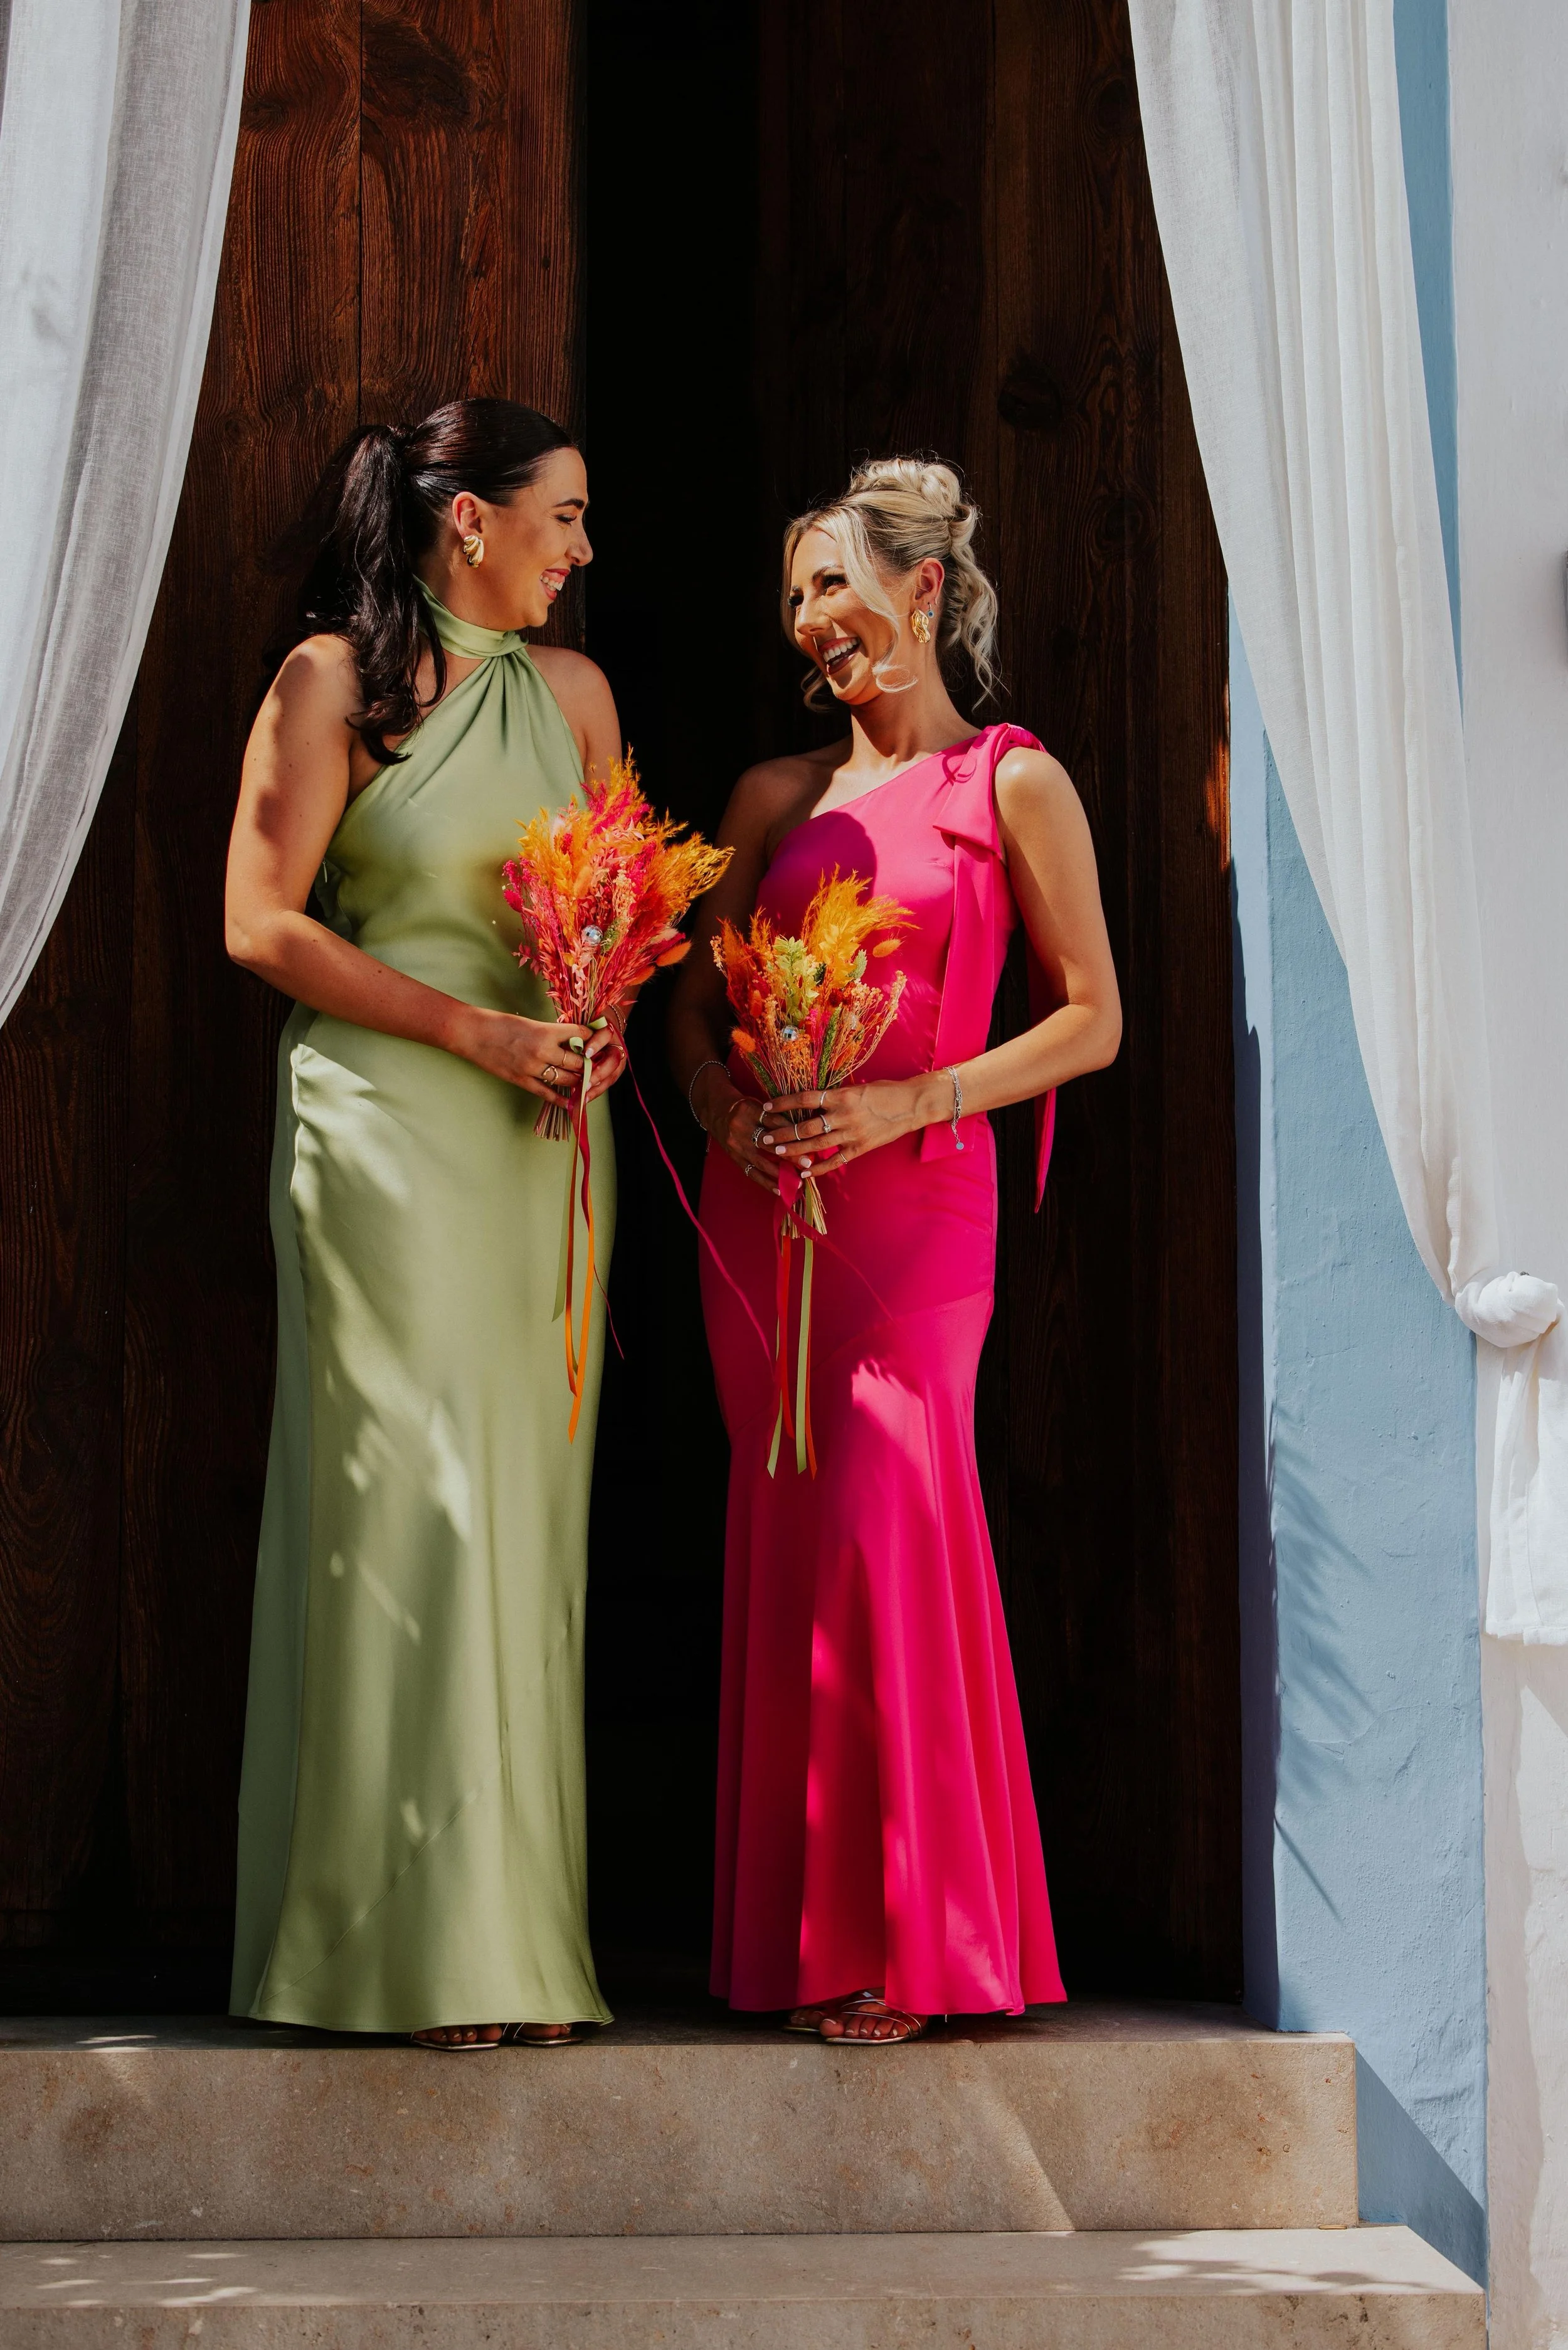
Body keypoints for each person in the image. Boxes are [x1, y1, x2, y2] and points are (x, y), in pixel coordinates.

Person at [669, 458, 1121, 2043]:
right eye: (793, 593)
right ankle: (799, 1940)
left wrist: (912, 1099)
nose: (811, 618)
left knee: (889, 1521)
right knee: (787, 1541)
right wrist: (732, 1111)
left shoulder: (1011, 782)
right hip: (766, 1211)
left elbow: (1092, 1018)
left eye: (835, 582)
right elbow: (684, 1013)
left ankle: (913, 1940)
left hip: (918, 1201)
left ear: (923, 590)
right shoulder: (771, 800)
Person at [225, 399, 625, 2048]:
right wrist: (471, 1031)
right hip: (387, 1131)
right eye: (564, 515)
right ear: (468, 520)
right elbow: (258, 923)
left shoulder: (580, 695)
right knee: (409, 1511)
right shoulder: (331, 685)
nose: (583, 550)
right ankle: (388, 1950)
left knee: (524, 1526)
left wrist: (595, 1016)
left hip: (541, 1142)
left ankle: (515, 1949)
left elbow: (617, 901)